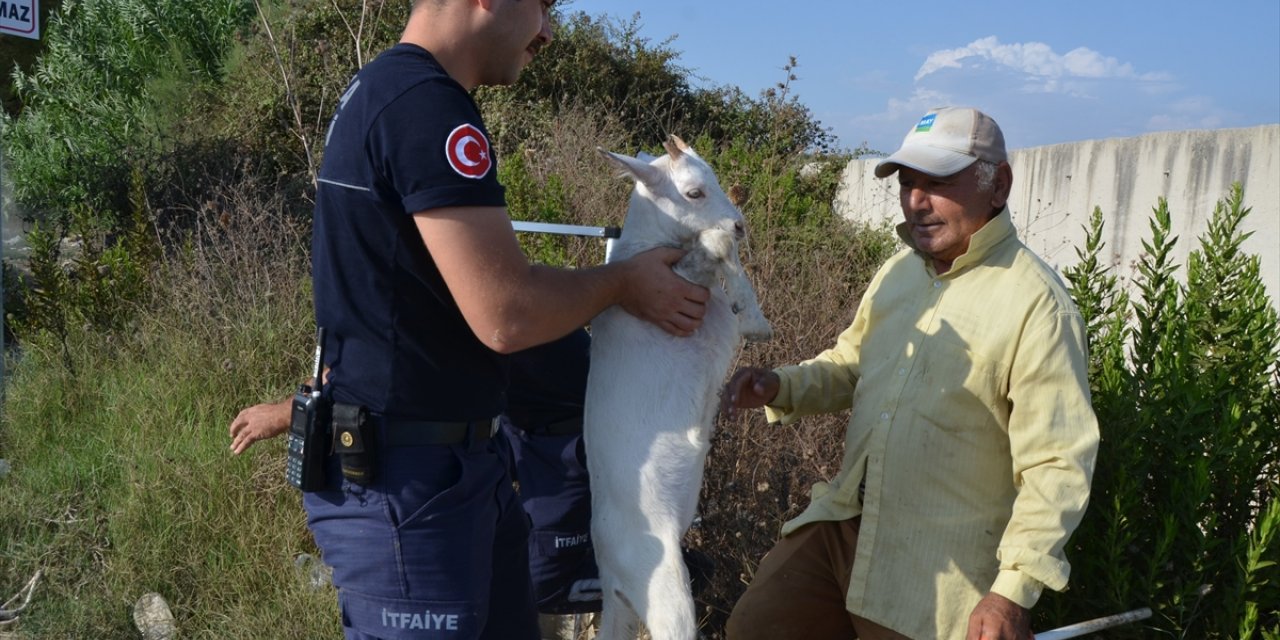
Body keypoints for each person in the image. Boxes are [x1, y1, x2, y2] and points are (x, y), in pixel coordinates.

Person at [297, 0, 710, 637]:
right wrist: (625, 282)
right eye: (543, 6)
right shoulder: (425, 107)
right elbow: (505, 314)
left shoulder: (377, 89)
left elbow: (407, 303)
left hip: (450, 469)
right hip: (410, 491)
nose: (548, 30)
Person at [719, 107, 1100, 640]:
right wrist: (781, 385)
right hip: (845, 524)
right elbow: (852, 363)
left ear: (1000, 185)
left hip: (932, 569)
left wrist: (1012, 589)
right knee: (756, 627)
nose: (916, 201)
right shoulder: (900, 273)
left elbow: (1057, 464)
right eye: (907, 183)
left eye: (938, 183)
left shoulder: (1037, 305)